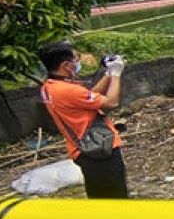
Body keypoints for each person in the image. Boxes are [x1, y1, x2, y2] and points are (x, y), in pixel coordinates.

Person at [38, 41, 129, 198]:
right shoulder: (67, 90)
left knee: (99, 198)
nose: (77, 62)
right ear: (65, 65)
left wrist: (107, 74)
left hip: (82, 150)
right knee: (116, 199)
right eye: (75, 60)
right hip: (100, 150)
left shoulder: (50, 87)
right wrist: (116, 74)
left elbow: (88, 96)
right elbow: (111, 102)